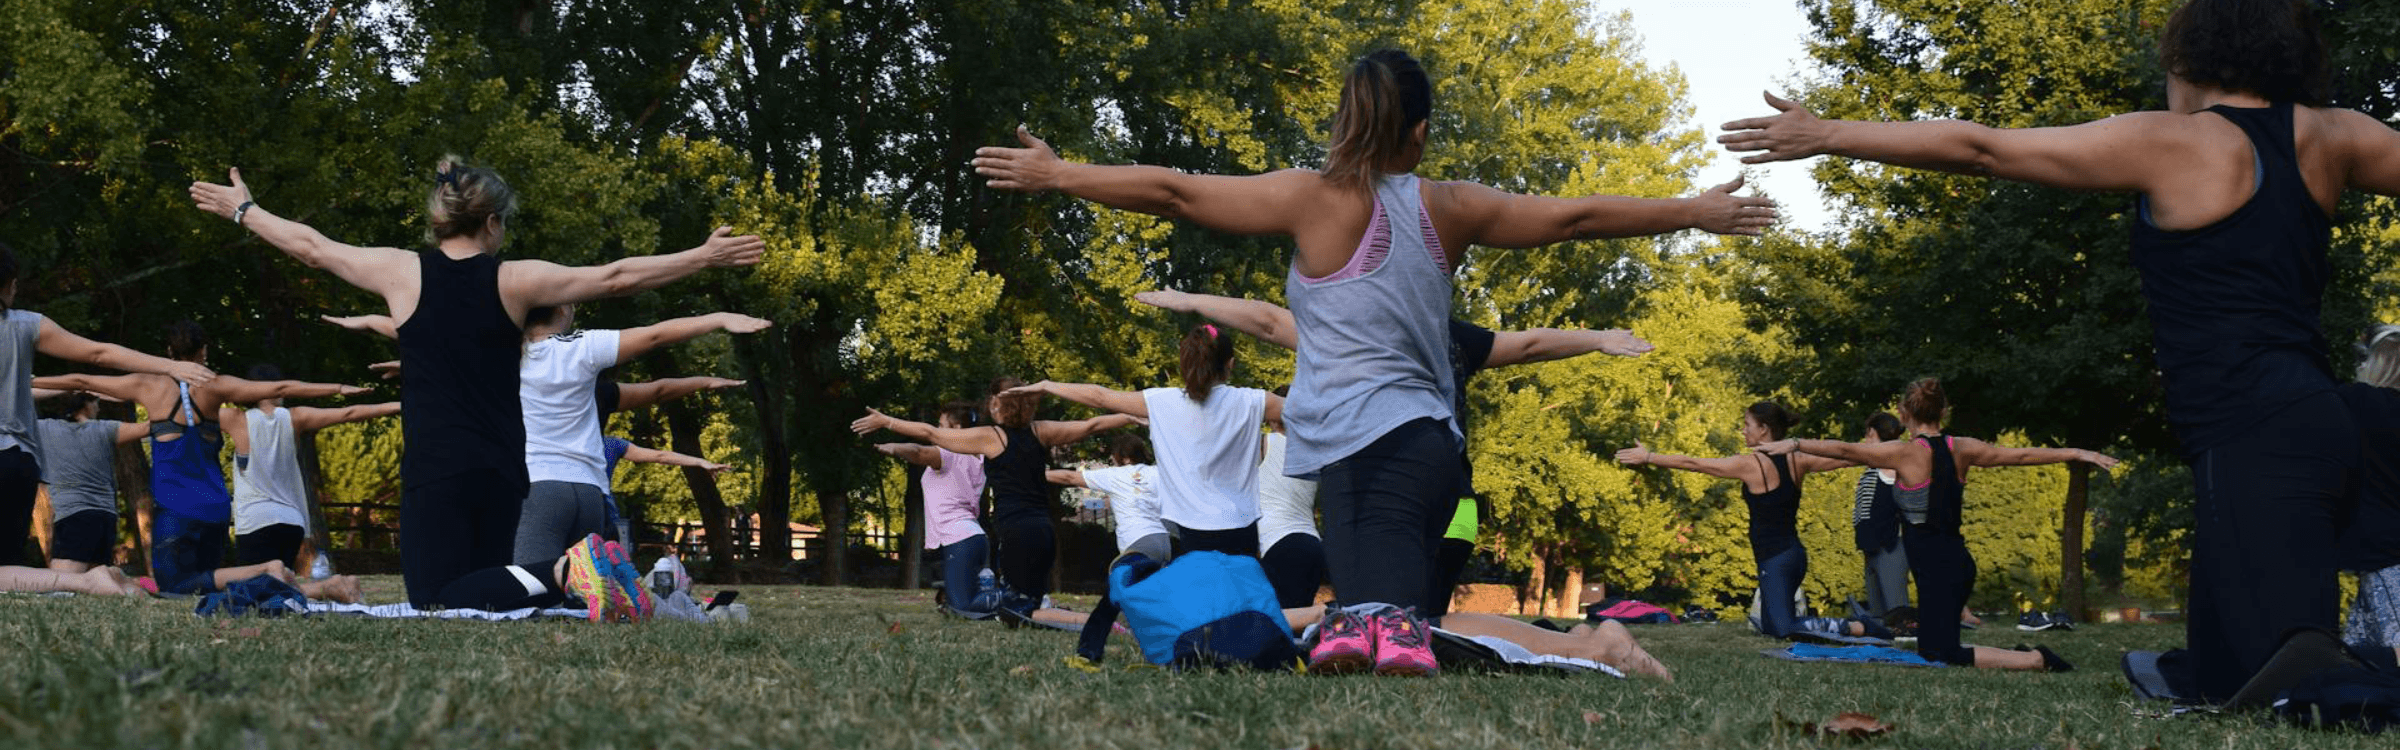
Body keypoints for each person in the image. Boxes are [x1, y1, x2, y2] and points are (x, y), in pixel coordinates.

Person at [975, 49, 1759, 674]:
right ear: (1419, 132)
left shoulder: (1313, 198)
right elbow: (1575, 217)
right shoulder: (1449, 205)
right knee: (1390, 625)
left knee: (1392, 635)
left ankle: (1595, 649)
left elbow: (1177, 194)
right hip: (1430, 453)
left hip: (1369, 455)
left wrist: (1060, 174)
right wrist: (1695, 211)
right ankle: (1588, 646)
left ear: (1346, 121)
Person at [1720, 0, 2400, 701]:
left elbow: (1985, 149)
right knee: (2221, 673)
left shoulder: (2178, 140)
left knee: (2296, 679)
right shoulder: (2336, 135)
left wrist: (1828, 133)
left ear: (2189, 63)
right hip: (2314, 422)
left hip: (2254, 437)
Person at [190, 157, 763, 615]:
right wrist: (703, 257)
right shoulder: (515, 280)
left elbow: (312, 248)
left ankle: (570, 571)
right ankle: (581, 579)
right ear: (491, 223)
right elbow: (615, 276)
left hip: (438, 467)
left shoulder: (400, 271)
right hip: (503, 469)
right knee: (491, 595)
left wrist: (246, 210)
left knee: (434, 597)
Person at [1133, 289, 1654, 616]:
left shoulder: (1360, 338)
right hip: (1458, 499)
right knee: (1429, 607)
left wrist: (1193, 301)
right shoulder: (1455, 338)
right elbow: (1531, 345)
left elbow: (1271, 322)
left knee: (1390, 609)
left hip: (1391, 496)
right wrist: (1596, 337)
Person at [1757, 378, 2117, 671]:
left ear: (1902, 413)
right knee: (1935, 647)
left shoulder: (1902, 452)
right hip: (1949, 564)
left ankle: (2036, 659)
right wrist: (2076, 452)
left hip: (1939, 569)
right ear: (1944, 411)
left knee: (1941, 654)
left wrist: (1794, 443)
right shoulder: (1963, 447)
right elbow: (2020, 455)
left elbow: (1844, 449)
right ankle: (2021, 654)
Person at [1006, 325, 1287, 665]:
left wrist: (1047, 385)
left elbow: (1098, 396)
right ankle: (1249, 655)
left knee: (1200, 598)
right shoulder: (1254, 401)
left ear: (1184, 364)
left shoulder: (1160, 401)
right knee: (1240, 598)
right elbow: (1310, 411)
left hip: (1190, 529)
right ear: (1230, 363)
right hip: (1239, 525)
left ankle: (1198, 653)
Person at [35, 321, 367, 601]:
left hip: (176, 509)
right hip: (216, 508)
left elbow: (81, 381)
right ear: (204, 351)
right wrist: (337, 386)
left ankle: (269, 571)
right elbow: (279, 386)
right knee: (209, 584)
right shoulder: (217, 385)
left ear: (168, 353)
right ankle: (299, 582)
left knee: (174, 586)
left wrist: (31, 382)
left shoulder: (146, 384)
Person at [851, 376, 1140, 625]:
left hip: (1018, 532)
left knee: (1017, 611)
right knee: (1028, 605)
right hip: (1045, 531)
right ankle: (1088, 620)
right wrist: (1131, 415)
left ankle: (1098, 623)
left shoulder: (992, 438)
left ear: (997, 404)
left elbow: (930, 434)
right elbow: (1092, 425)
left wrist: (886, 421)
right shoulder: (1042, 431)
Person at [0, 243, 214, 568]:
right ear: (10, 285)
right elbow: (99, 353)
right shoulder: (25, 324)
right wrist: (168, 366)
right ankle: (94, 581)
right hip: (14, 460)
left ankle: (86, 582)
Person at [1614, 401, 1877, 640]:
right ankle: (1843, 624)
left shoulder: (1751, 464)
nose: (1742, 430)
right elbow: (1844, 459)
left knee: (1783, 629)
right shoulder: (1799, 459)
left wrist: (1649, 457)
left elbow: (1694, 463)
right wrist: (1877, 450)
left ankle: (1857, 626)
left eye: (1747, 425)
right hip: (1792, 555)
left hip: (1776, 559)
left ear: (1764, 430)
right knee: (1772, 625)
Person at [220, 364, 401, 572]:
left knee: (255, 592)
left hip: (254, 520)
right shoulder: (296, 417)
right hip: (291, 521)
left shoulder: (236, 419)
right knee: (282, 588)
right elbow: (349, 413)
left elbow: (196, 407)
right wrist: (398, 405)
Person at [876, 401, 998, 616]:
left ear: (957, 430)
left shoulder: (949, 454)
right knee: (956, 602)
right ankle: (994, 593)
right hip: (972, 537)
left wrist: (894, 448)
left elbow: (920, 452)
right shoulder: (978, 456)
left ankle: (1018, 598)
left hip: (960, 538)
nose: (937, 430)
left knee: (962, 607)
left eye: (941, 426)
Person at [2338, 325, 2400, 667]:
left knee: (2362, 656)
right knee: (2355, 656)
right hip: (2382, 555)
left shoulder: (2362, 403)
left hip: (2386, 554)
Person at [35, 391, 145, 574]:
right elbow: (153, 426)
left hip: (74, 516)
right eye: (96, 403)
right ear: (86, 405)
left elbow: (11, 402)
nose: (99, 407)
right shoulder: (107, 429)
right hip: (106, 518)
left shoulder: (44, 429)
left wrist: (63, 387)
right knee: (97, 584)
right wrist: (125, 394)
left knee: (63, 587)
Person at [1853, 412, 1910, 618]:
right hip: (1871, 545)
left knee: (1896, 606)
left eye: (1869, 436)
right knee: (1878, 610)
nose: (1866, 441)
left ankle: (1907, 636)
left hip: (1890, 544)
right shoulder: (1874, 466)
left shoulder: (1892, 465)